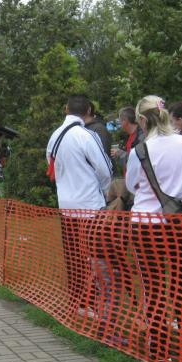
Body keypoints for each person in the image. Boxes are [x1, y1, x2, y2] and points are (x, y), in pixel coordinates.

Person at [126, 96, 182, 361]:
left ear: (142, 120)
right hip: (178, 222)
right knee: (181, 283)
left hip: (146, 224)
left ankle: (158, 344)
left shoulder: (140, 150)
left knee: (152, 286)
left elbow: (131, 185)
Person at [46, 94, 116, 340]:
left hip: (66, 206)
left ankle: (79, 302)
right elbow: (105, 169)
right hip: (89, 207)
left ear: (66, 109)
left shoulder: (55, 136)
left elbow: (52, 167)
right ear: (88, 111)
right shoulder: (87, 136)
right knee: (96, 258)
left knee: (74, 257)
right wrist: (102, 190)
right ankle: (99, 306)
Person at [111, 106, 144, 175]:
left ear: (125, 121)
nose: (120, 123)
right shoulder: (131, 135)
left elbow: (136, 159)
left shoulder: (141, 136)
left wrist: (119, 153)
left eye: (120, 120)